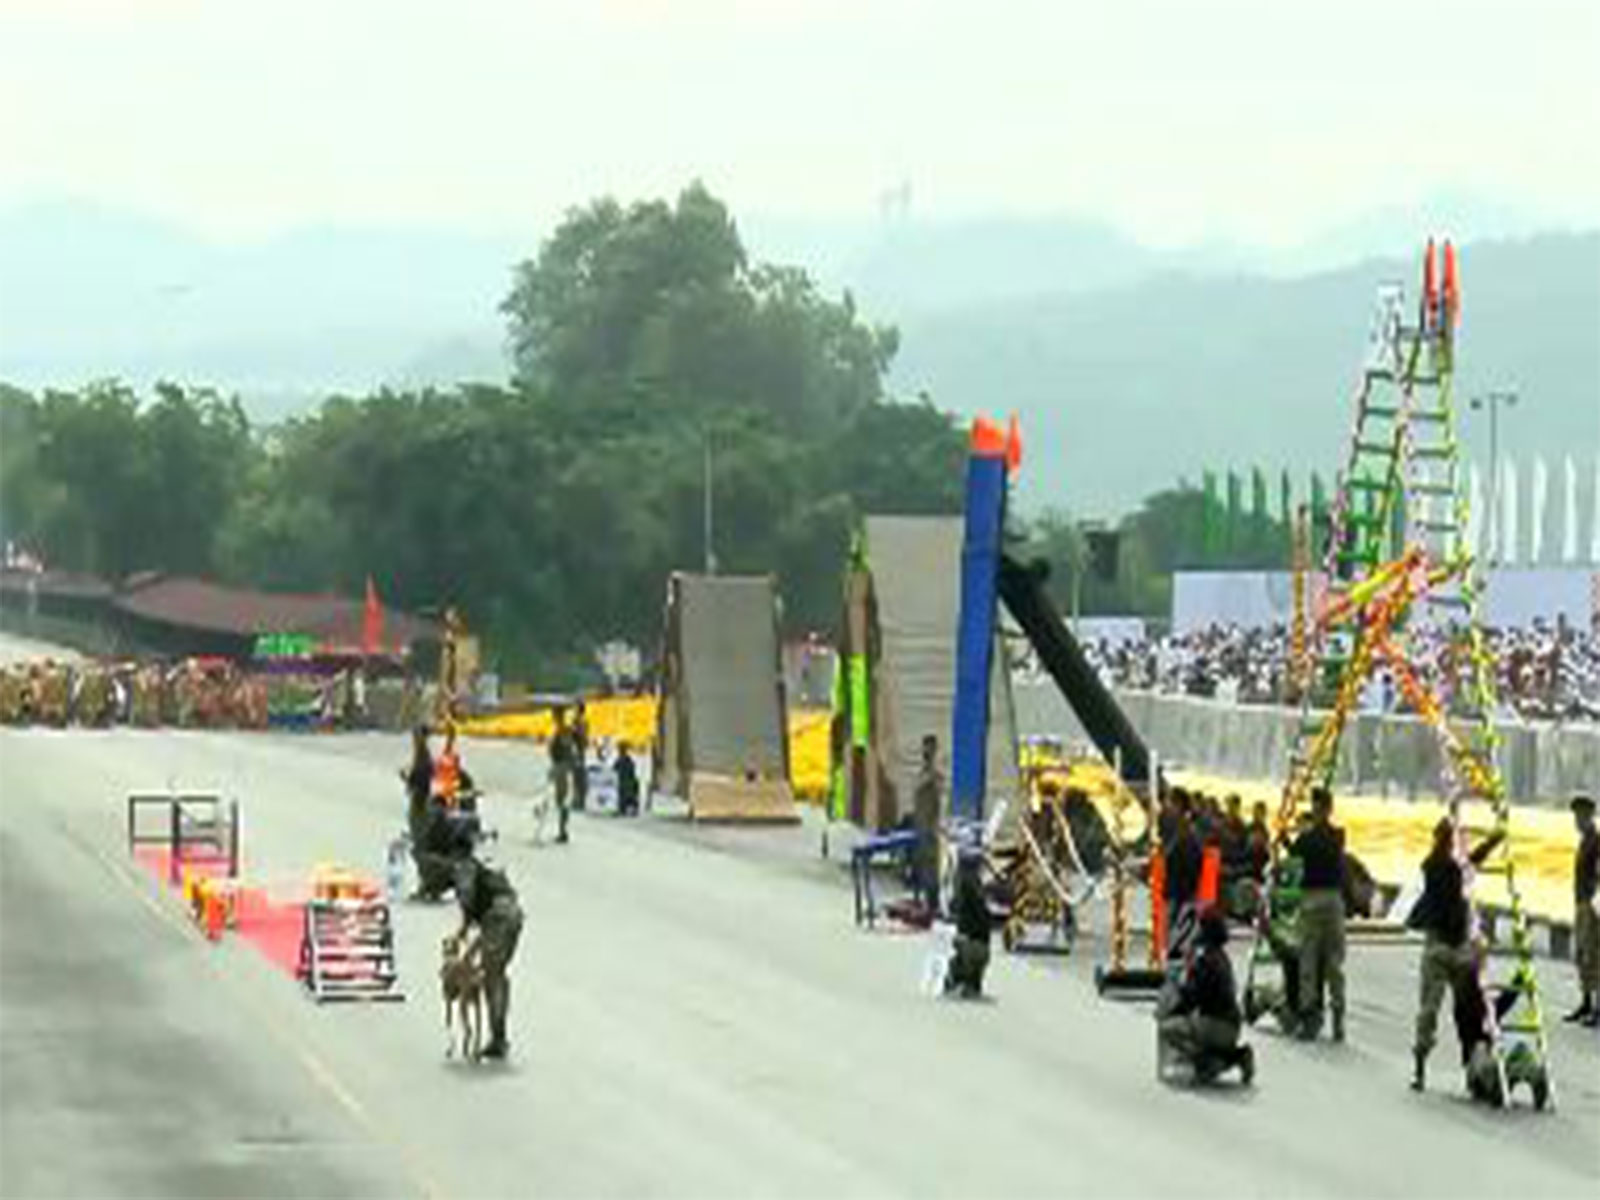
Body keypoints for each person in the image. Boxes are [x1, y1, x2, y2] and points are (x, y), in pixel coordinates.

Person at [1407, 817, 1505, 1091]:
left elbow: (1468, 863)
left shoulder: (1434, 866)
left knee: (1431, 1011)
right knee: (1467, 1008)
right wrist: (1491, 841)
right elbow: (1471, 863)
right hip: (1452, 947)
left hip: (1440, 946)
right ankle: (1468, 1063)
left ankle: (1421, 1067)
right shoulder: (1445, 868)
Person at [1159, 907, 1255, 1085]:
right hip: (1233, 1025)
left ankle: (1206, 1063)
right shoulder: (1222, 955)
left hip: (1213, 1024)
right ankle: (1238, 1056)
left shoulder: (1204, 957)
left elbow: (1195, 994)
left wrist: (1176, 1009)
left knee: (1169, 1028)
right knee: (1205, 1033)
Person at [453, 849, 524, 1060]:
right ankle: (499, 1033)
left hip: (497, 917)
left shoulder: (464, 867)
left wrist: (464, 935)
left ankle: (499, 1039)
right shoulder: (484, 863)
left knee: (493, 978)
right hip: (513, 914)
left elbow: (468, 897)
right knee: (497, 974)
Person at [1290, 786, 1347, 1041]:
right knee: (1334, 962)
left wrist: (1287, 836)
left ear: (1316, 808)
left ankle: (1309, 1017)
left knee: (1309, 961)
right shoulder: (1338, 836)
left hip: (1311, 899)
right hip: (1334, 900)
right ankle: (1338, 1017)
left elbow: (1294, 854)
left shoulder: (1308, 838)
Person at [944, 842, 992, 999]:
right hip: (970, 940)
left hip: (972, 938)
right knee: (974, 952)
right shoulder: (968, 885)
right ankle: (962, 981)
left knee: (975, 950)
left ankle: (966, 982)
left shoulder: (964, 883)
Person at [1567, 794, 1599, 1026]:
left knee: (1593, 955)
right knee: (1581, 953)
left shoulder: (1596, 841)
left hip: (1591, 904)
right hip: (1580, 901)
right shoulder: (1585, 840)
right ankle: (1586, 1001)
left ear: (1589, 816)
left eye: (1579, 816)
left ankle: (1597, 1007)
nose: (1576, 821)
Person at [400, 725, 435, 898]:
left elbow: (419, 781)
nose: (414, 740)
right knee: (421, 847)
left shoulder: (423, 758)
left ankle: (427, 884)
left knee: (421, 848)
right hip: (420, 802)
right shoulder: (422, 757)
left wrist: (406, 778)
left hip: (420, 805)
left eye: (416, 737)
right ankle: (427, 884)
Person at [912, 733, 943, 913]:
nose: (926, 752)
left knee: (931, 865)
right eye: (925, 748)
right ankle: (926, 900)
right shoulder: (924, 773)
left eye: (930, 748)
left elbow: (936, 794)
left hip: (930, 827)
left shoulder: (933, 776)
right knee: (924, 864)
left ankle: (933, 903)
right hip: (922, 825)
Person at [548, 709, 573, 843]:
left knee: (561, 800)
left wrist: (562, 766)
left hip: (561, 766)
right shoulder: (560, 730)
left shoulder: (563, 731)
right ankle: (562, 829)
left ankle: (563, 831)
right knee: (559, 800)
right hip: (558, 765)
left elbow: (565, 749)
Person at [570, 701, 590, 812]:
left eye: (575, 708)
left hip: (578, 751)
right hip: (578, 751)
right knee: (577, 775)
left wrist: (574, 731)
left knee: (578, 776)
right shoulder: (579, 722)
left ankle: (579, 800)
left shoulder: (580, 722)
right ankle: (578, 799)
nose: (574, 711)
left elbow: (582, 738)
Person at [615, 740, 641, 817]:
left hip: (624, 784)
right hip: (627, 783)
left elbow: (615, 770)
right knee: (628, 794)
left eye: (620, 749)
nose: (619, 751)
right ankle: (629, 808)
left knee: (625, 794)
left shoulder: (621, 760)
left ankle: (624, 808)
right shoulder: (627, 760)